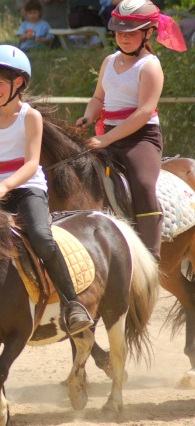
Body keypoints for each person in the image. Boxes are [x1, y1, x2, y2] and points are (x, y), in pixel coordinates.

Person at [0, 44, 94, 336]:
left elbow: (32, 164)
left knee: (42, 238)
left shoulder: (29, 116)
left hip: (27, 189)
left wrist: (4, 186)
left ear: (17, 82)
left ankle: (73, 305)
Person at [75, 0, 186, 261]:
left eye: (131, 32)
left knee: (143, 183)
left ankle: (151, 255)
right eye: (119, 32)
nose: (124, 37)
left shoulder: (150, 66)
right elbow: (98, 98)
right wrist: (88, 116)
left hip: (141, 138)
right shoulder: (109, 61)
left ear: (147, 33)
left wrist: (106, 139)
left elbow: (144, 112)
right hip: (108, 134)